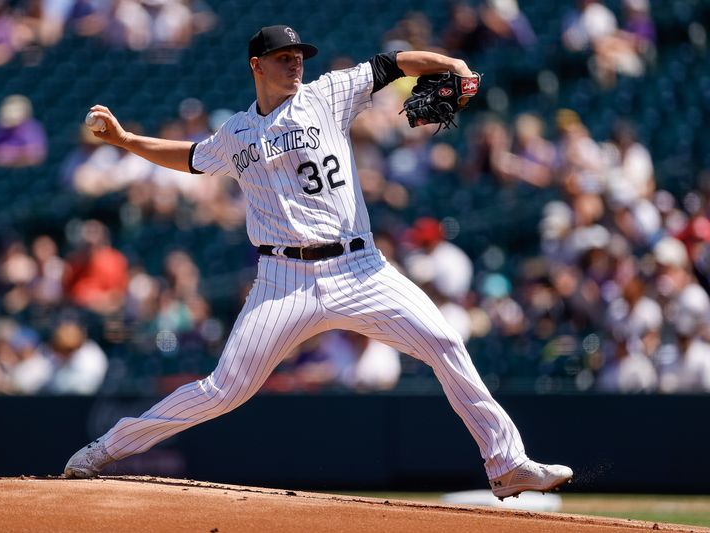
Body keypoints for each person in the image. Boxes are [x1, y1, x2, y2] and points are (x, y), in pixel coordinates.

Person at [64, 24, 573, 499]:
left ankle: (506, 462)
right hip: (281, 280)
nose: (295, 64)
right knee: (223, 390)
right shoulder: (236, 134)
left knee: (444, 342)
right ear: (255, 66)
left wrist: (451, 62)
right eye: (283, 58)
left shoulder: (327, 93)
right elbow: (191, 157)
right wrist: (127, 141)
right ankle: (106, 449)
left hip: (360, 269)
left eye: (298, 56)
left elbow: (393, 64)